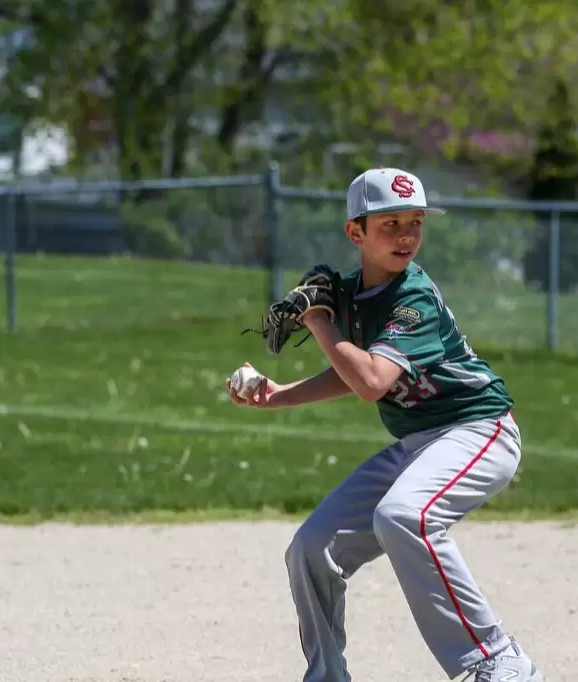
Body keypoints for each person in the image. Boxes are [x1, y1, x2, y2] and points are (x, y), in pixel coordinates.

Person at [225, 167, 544, 682]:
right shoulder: (350, 295)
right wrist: (278, 395)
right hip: (421, 443)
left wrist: (317, 320)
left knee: (403, 516)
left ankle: (498, 660)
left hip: (479, 429)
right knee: (312, 548)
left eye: (415, 222)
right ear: (356, 232)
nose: (405, 235)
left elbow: (372, 381)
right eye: (390, 223)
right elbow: (354, 371)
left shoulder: (413, 297)